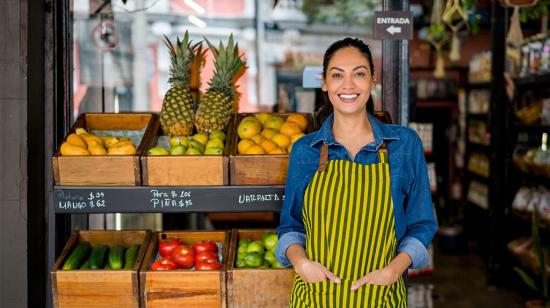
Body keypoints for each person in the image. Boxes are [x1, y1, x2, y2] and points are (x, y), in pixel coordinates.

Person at [276, 37, 437, 307]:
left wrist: (393, 270)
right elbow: (291, 226)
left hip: (380, 298)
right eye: (337, 75)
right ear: (325, 83)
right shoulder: (305, 150)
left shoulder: (404, 144)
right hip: (317, 297)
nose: (348, 85)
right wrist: (301, 263)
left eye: (359, 74)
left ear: (372, 80)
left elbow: (422, 224)